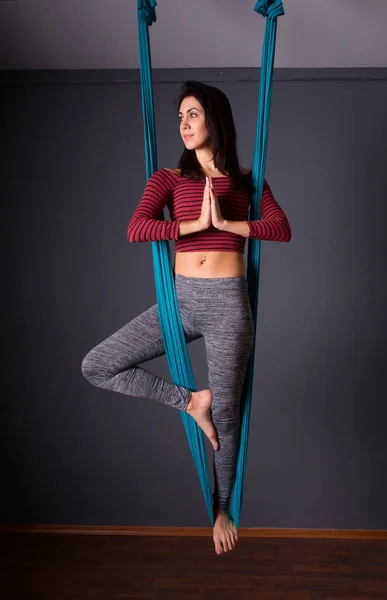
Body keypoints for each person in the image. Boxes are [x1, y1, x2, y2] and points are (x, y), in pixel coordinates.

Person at [81, 80, 291, 555]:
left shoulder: (246, 180)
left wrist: (228, 225)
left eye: (192, 114)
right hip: (181, 301)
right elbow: (137, 227)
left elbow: (280, 228)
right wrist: (192, 225)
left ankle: (220, 510)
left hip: (227, 306)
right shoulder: (168, 178)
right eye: (180, 117)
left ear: (214, 118)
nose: (184, 124)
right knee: (97, 364)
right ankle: (187, 401)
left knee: (228, 418)